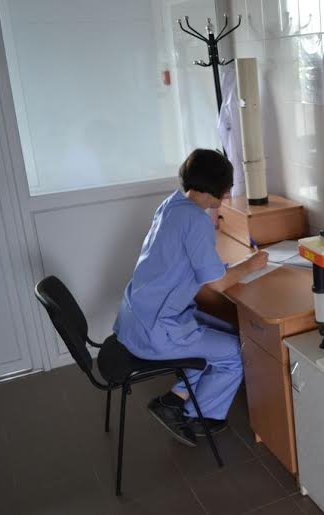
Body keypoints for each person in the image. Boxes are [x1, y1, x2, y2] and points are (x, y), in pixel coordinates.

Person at [113, 149, 268, 446]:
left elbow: (180, 259)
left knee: (226, 329)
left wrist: (223, 265)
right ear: (214, 188)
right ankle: (197, 416)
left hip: (135, 317)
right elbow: (218, 284)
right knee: (236, 351)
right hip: (156, 331)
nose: (227, 194)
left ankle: (176, 397)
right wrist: (252, 264)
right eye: (225, 188)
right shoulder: (197, 221)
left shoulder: (172, 204)